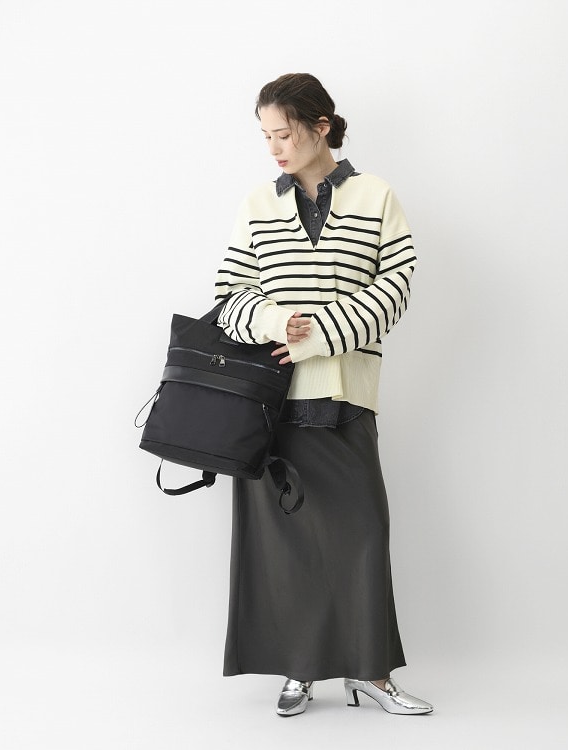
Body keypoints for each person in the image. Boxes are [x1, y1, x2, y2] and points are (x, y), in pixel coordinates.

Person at [214, 73, 433, 717]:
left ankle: (371, 675)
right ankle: (300, 669)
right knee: (283, 545)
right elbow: (229, 295)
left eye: (284, 134)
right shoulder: (258, 203)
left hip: (344, 392)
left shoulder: (376, 195)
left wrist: (318, 336)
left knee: (363, 533)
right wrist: (275, 322)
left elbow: (395, 287)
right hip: (271, 403)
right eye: (266, 136)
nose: (274, 148)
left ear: (322, 126)